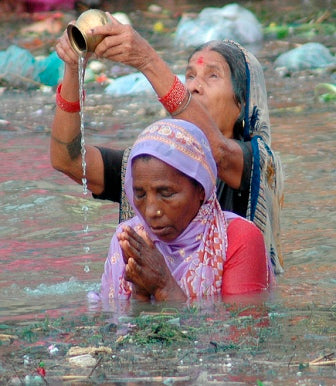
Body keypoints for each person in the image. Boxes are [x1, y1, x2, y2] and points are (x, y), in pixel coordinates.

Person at [51, 13, 284, 274]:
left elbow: (216, 151)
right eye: (190, 76)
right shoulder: (152, 168)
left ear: (241, 103)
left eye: (213, 76)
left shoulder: (259, 162)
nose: (195, 86)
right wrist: (73, 68)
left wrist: (146, 60)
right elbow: (68, 160)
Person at [98, 118, 274, 301]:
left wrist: (162, 285)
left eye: (166, 193)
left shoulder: (239, 239)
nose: (151, 212)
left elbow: (242, 327)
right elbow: (119, 323)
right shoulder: (128, 240)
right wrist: (140, 292)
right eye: (140, 195)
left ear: (200, 189)